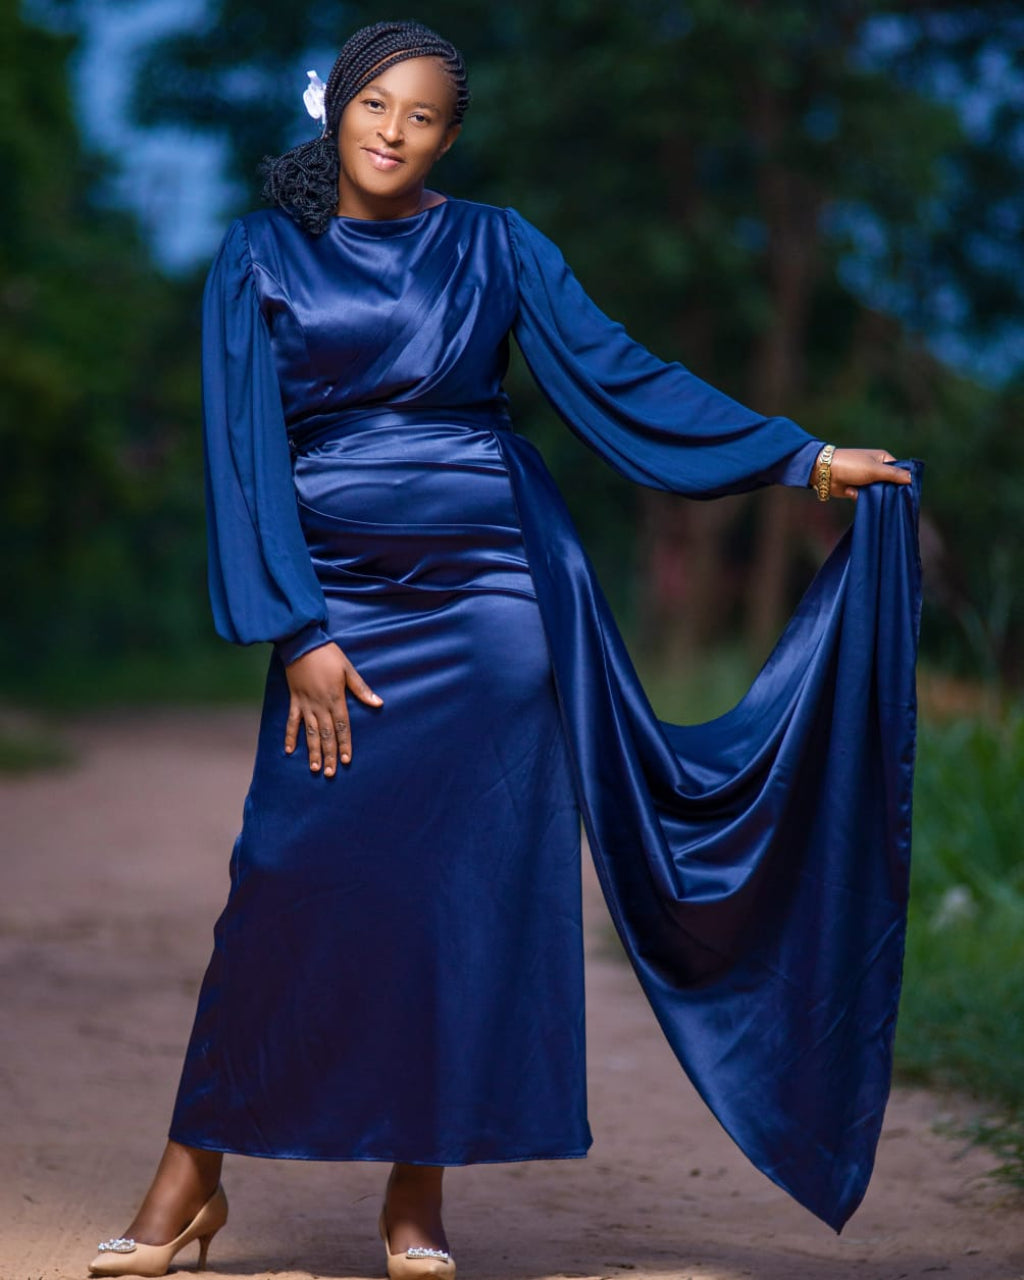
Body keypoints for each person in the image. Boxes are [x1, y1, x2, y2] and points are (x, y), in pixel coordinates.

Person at [87, 18, 922, 1280]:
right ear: (337, 104)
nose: (393, 131)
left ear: (449, 136)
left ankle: (417, 1194)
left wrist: (798, 456)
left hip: (492, 597)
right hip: (339, 601)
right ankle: (190, 1173)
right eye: (377, 103)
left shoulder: (497, 243)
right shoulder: (257, 251)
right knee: (283, 876)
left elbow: (620, 375)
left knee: (456, 895)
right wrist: (297, 626)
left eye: (422, 116)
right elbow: (242, 451)